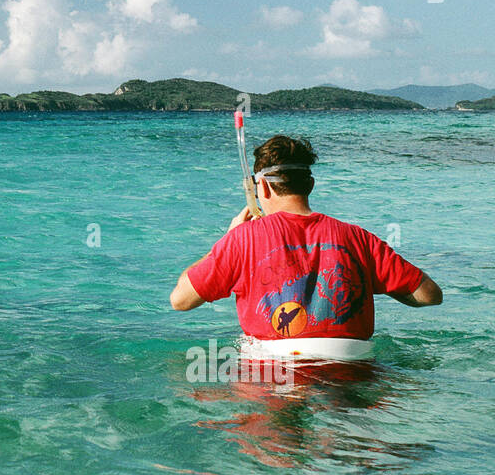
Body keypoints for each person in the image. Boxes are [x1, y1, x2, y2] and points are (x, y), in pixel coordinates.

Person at [169, 135, 441, 340]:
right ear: (310, 184)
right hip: (350, 374)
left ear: (261, 187)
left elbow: (180, 300)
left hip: (275, 376)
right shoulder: (359, 238)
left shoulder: (241, 239)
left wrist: (225, 240)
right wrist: (377, 283)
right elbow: (430, 295)